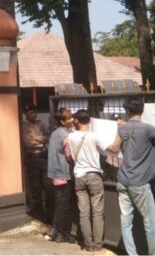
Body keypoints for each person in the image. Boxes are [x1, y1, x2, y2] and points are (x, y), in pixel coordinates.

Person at [109, 97, 155, 255]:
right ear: (142, 110)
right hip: (140, 182)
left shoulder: (122, 128)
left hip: (122, 179)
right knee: (150, 224)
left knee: (126, 222)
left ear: (127, 111)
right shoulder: (149, 129)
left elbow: (114, 148)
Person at [66, 109, 111, 254]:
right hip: (94, 175)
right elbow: (113, 148)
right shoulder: (94, 136)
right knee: (97, 213)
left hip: (79, 176)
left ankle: (88, 245)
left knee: (83, 213)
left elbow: (70, 157)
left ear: (76, 121)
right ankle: (98, 246)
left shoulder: (70, 137)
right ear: (90, 121)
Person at [45, 108, 76, 243]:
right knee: (63, 206)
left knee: (59, 204)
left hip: (55, 174)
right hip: (63, 175)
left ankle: (55, 231)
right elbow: (69, 156)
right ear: (62, 121)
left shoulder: (55, 133)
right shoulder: (65, 135)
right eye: (69, 118)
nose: (72, 120)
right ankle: (62, 234)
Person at [21, 103, 50, 219]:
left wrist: (37, 138)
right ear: (26, 114)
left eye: (34, 112)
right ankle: (37, 210)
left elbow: (48, 136)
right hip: (32, 157)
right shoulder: (24, 126)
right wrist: (41, 140)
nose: (33, 114)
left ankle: (45, 209)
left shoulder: (40, 124)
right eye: (30, 112)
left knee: (46, 183)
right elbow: (28, 142)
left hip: (42, 155)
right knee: (35, 184)